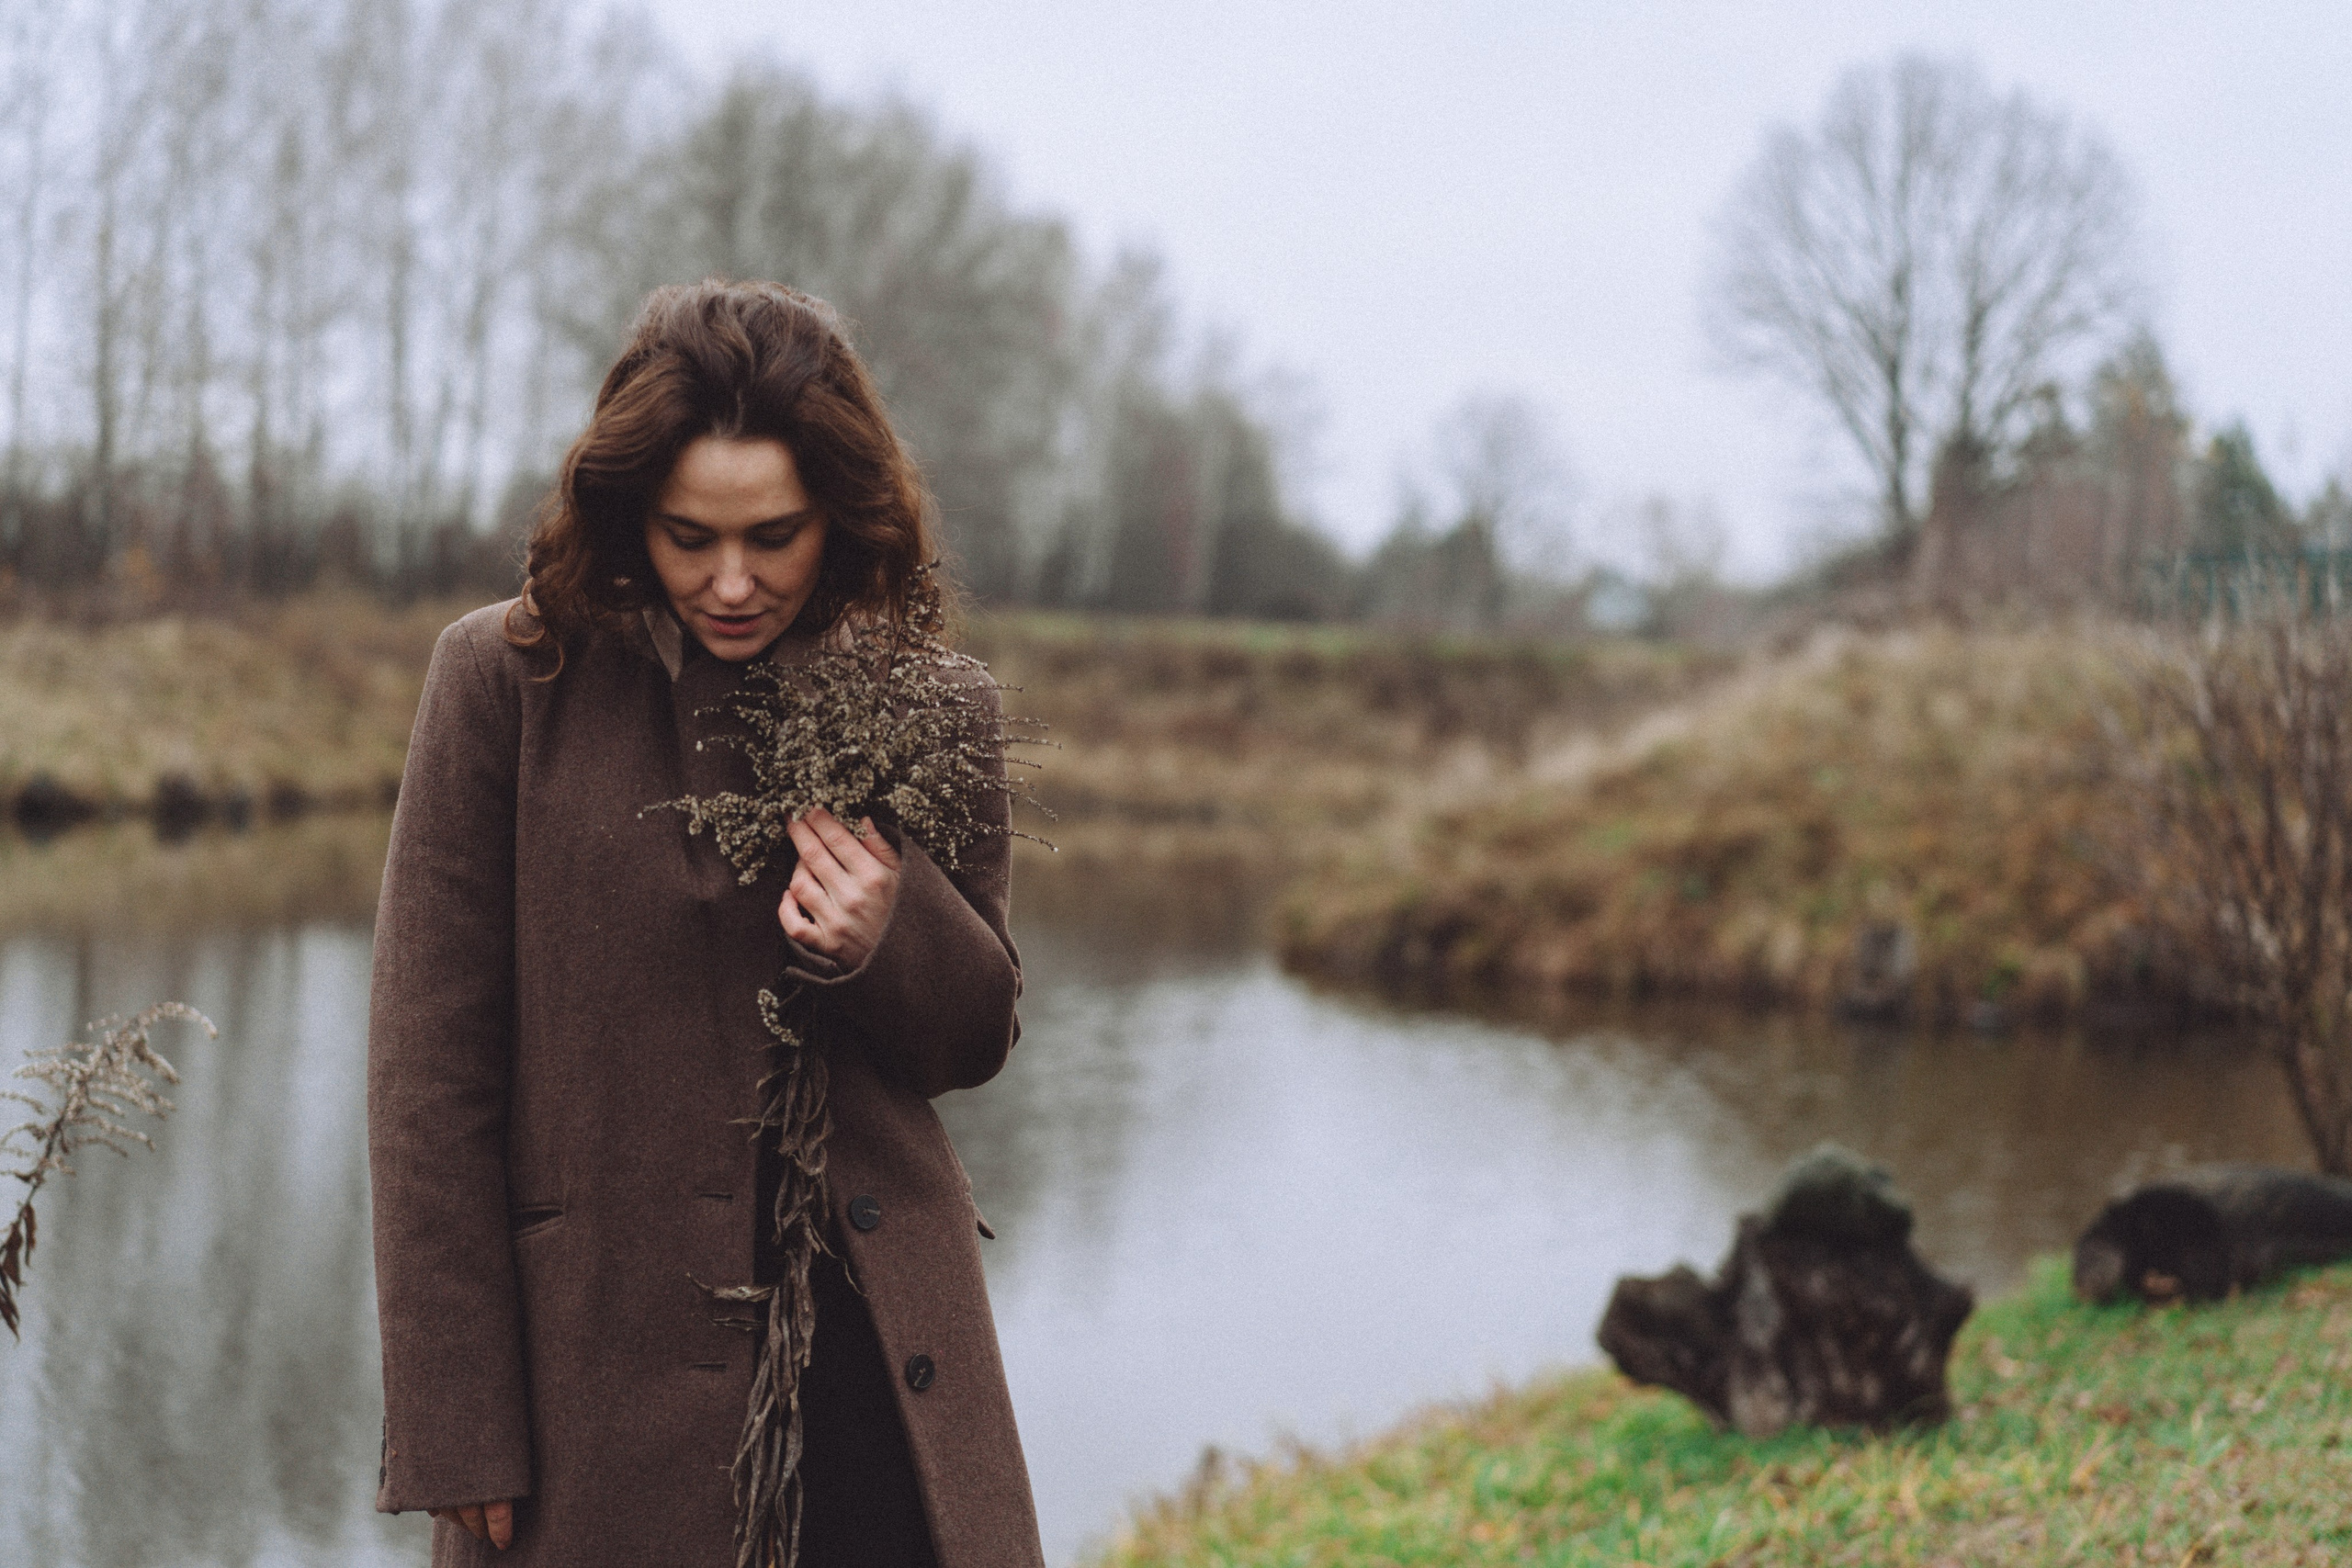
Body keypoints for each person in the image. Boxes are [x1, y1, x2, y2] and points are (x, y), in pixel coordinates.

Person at [368, 279, 1044, 1568]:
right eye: (690, 537)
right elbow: (428, 1082)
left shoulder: (931, 702)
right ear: (628, 518)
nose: (732, 581)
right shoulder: (504, 684)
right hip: (592, 1385)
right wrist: (455, 1421)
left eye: (774, 536)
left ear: (839, 518)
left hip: (872, 1368)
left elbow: (974, 1036)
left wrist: (885, 936)